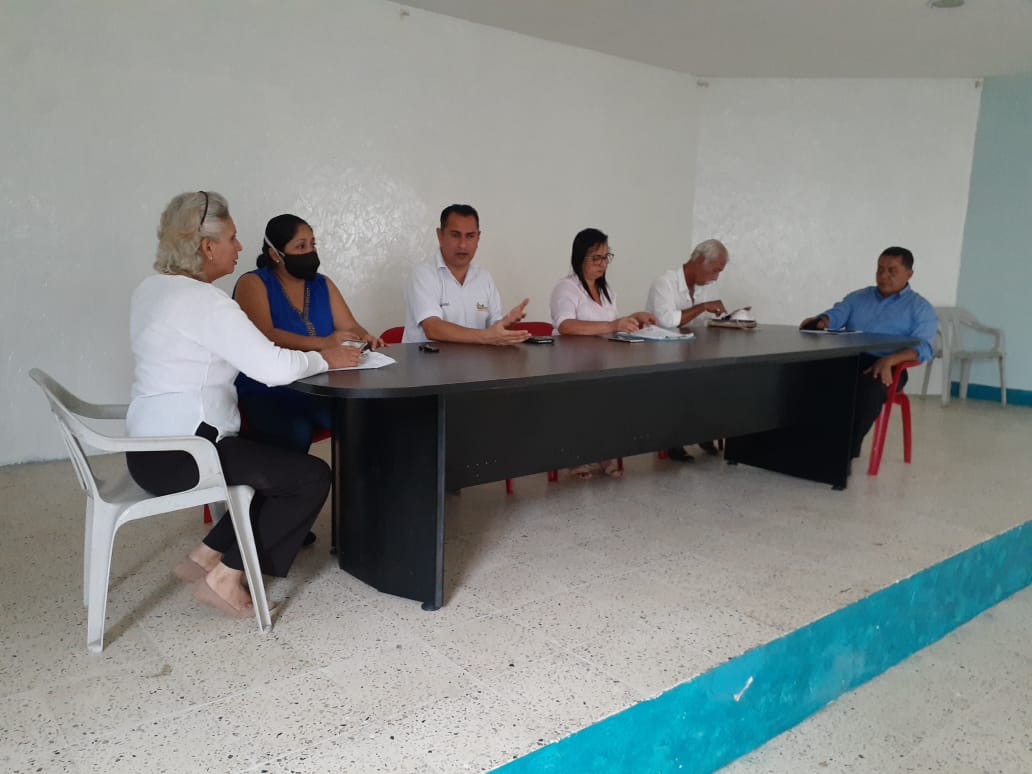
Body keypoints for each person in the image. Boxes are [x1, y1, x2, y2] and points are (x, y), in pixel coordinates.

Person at [125, 191, 361, 618]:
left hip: (147, 450)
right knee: (309, 478)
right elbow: (271, 366)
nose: (238, 247)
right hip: (188, 454)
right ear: (206, 246)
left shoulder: (150, 289)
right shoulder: (206, 303)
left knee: (273, 458)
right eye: (231, 238)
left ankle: (204, 555)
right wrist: (326, 358)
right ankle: (225, 577)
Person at [234, 214, 383, 452]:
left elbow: (350, 326)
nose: (310, 252)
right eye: (300, 246)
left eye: (313, 244)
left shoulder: (323, 283)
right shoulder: (253, 282)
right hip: (268, 387)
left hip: (318, 385)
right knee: (297, 431)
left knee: (359, 418)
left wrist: (364, 336)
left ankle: (360, 477)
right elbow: (264, 334)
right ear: (275, 254)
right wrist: (323, 343)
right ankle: (291, 478)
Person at [800, 246, 937, 468]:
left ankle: (843, 452)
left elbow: (924, 347)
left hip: (890, 366)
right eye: (880, 269)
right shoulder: (858, 297)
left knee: (870, 387)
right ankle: (800, 442)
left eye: (892, 271)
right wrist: (821, 321)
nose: (884, 276)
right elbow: (836, 314)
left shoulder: (920, 308)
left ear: (909, 274)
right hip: (850, 359)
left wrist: (890, 360)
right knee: (804, 374)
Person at [549, 227, 656, 479]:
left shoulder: (606, 290)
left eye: (606, 257)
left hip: (602, 362)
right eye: (596, 258)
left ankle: (603, 454)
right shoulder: (566, 288)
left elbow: (609, 323)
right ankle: (576, 458)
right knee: (582, 403)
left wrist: (633, 318)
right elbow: (565, 325)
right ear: (579, 258)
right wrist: (613, 325)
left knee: (612, 401)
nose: (602, 264)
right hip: (571, 365)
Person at [646, 238, 730, 461]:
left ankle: (703, 432)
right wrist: (702, 307)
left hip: (692, 353)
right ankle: (674, 440)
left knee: (718, 375)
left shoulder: (705, 286)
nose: (716, 277)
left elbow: (704, 323)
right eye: (715, 270)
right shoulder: (664, 283)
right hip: (662, 355)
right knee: (683, 381)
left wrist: (727, 318)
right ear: (700, 261)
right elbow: (667, 321)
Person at [402, 204, 530, 344]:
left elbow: (493, 331)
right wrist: (486, 336)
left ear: (478, 238)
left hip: (476, 358)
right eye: (455, 235)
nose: (462, 244)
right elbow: (433, 328)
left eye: (470, 236)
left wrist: (505, 324)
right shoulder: (423, 274)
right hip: (428, 358)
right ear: (440, 236)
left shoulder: (484, 278)